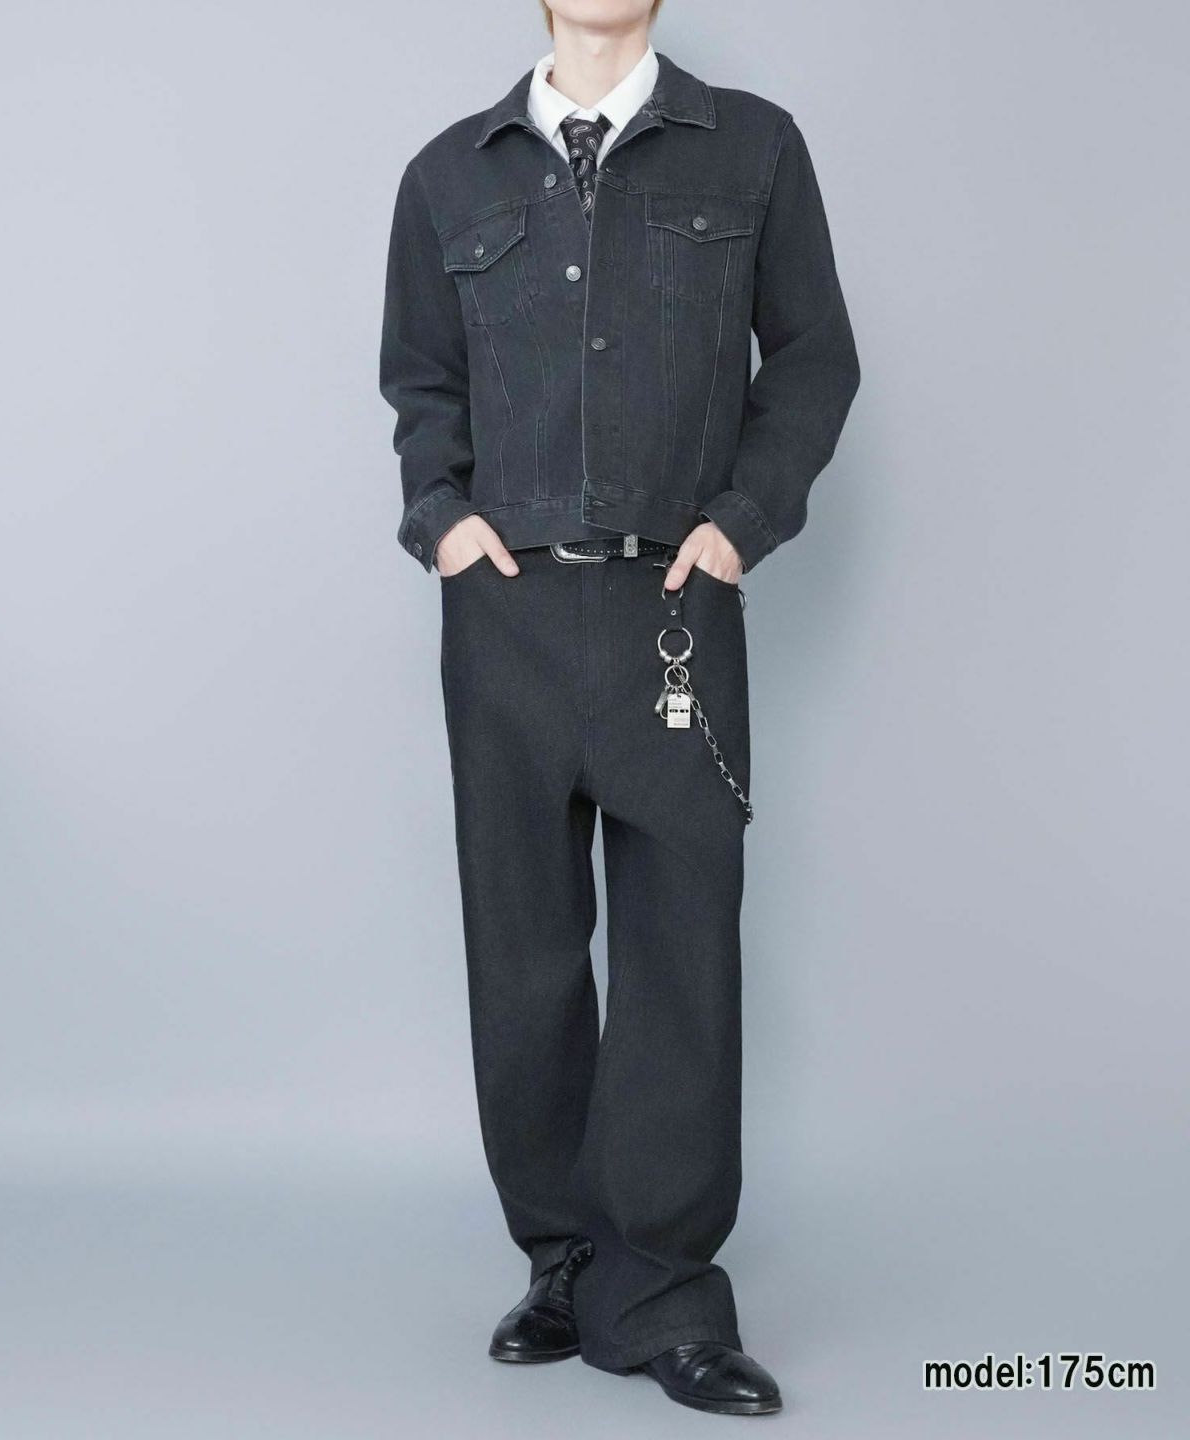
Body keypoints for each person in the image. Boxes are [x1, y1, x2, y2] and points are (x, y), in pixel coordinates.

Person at [379, 0, 859, 1416]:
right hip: (507, 614)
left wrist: (742, 523)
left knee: (679, 954)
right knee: (522, 952)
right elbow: (420, 380)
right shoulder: (448, 174)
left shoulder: (753, 150)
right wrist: (444, 521)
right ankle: (568, 1259)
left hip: (675, 608)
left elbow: (816, 357)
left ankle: (665, 1290)